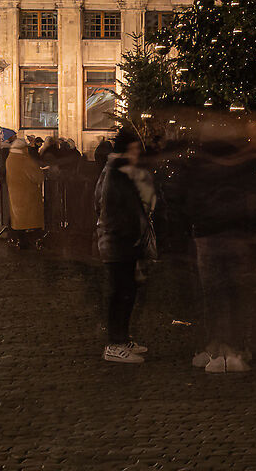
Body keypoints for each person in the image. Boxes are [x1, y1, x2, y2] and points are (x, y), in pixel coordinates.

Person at [188, 124, 256, 374]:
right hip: (236, 235)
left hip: (208, 235)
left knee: (214, 296)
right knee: (235, 294)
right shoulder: (246, 165)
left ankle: (217, 347)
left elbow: (190, 199)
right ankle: (233, 348)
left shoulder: (201, 165)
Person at [96, 127, 157, 363]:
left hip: (122, 241)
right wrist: (130, 235)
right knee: (120, 292)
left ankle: (122, 338)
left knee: (127, 292)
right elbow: (117, 209)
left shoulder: (120, 171)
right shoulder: (118, 172)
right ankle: (115, 343)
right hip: (118, 242)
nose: (137, 154)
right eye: (134, 149)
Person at [5, 136, 46, 249]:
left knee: (18, 220)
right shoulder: (24, 159)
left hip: (14, 194)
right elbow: (37, 176)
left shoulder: (10, 158)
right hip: (28, 194)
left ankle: (17, 239)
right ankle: (32, 241)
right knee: (30, 220)